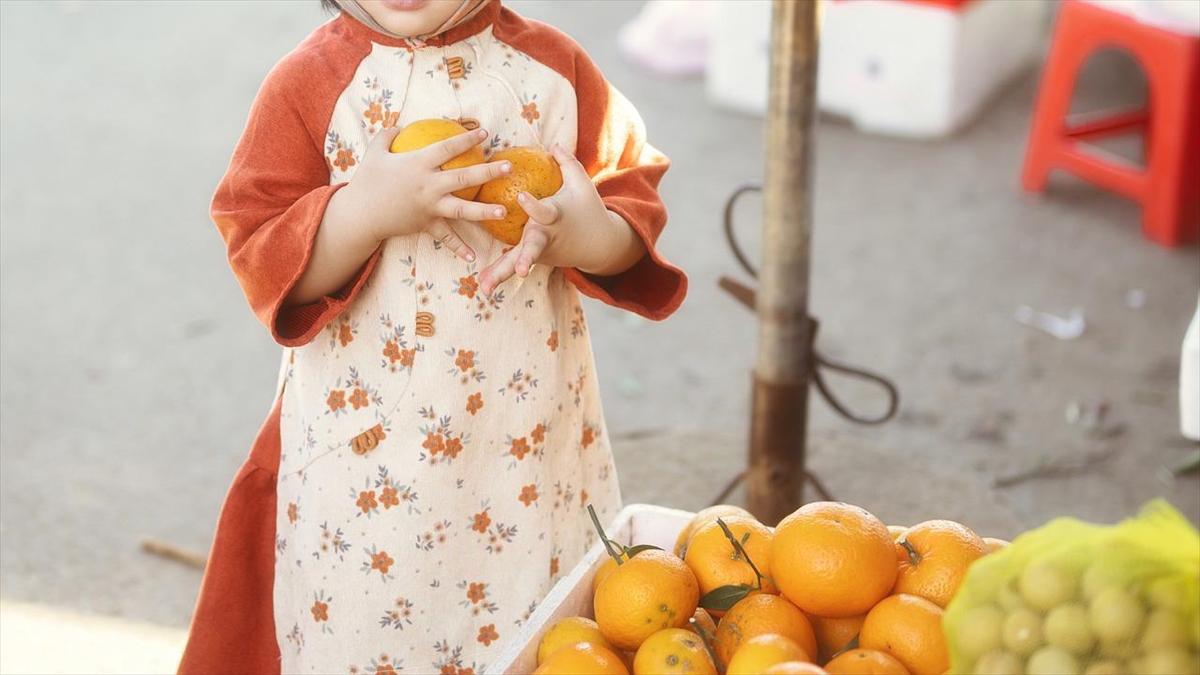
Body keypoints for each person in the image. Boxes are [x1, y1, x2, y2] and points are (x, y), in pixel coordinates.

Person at [178, 0, 686, 673]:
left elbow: (630, 199)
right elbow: (263, 252)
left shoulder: (550, 71)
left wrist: (587, 234)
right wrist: (363, 211)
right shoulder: (312, 82)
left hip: (526, 450)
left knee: (539, 629)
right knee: (371, 631)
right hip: (368, 466)